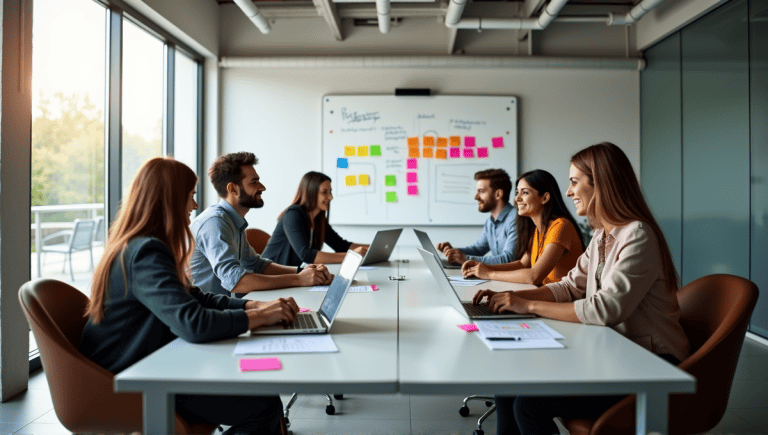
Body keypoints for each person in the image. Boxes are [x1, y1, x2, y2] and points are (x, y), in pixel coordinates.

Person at [473, 143, 691, 435]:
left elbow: (605, 309)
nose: (569, 191)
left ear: (601, 184)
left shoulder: (637, 234)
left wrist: (528, 305)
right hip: (615, 352)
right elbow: (569, 286)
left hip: (650, 363)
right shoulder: (601, 235)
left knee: (529, 405)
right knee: (510, 381)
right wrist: (513, 298)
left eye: (574, 182)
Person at [80, 157, 297, 435]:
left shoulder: (143, 244)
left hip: (151, 361)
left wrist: (255, 305)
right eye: (191, 196)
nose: (195, 205)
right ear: (169, 200)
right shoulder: (144, 252)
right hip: (129, 376)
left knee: (262, 399)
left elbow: (198, 297)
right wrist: (258, 316)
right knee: (262, 407)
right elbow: (193, 324)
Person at [190, 152, 332, 297]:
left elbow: (257, 265)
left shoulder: (232, 221)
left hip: (222, 308)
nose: (262, 187)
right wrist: (299, 279)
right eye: (254, 182)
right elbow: (236, 281)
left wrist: (304, 272)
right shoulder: (215, 223)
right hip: (204, 314)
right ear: (232, 189)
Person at [462, 169, 585, 285]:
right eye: (517, 193)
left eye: (524, 192)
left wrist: (489, 273)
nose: (517, 198)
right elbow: (522, 264)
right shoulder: (537, 230)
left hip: (562, 302)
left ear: (545, 198)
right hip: (548, 296)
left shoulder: (561, 226)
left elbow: (533, 276)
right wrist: (482, 267)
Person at [262, 171, 369, 266]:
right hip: (272, 277)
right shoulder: (293, 214)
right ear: (310, 193)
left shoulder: (318, 219)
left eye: (330, 191)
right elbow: (306, 255)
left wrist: (371, 248)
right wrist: (352, 256)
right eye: (324, 192)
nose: (331, 197)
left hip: (291, 277)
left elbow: (341, 245)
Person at [437, 168, 518, 265]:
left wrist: (466, 259)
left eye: (481, 191)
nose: (475, 197)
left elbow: (508, 259)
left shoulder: (516, 219)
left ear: (498, 194)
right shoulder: (490, 222)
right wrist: (453, 251)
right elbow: (478, 249)